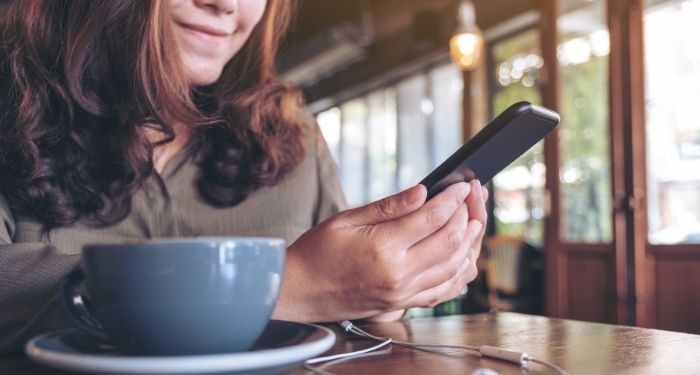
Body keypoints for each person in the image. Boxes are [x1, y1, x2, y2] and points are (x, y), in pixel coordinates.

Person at [0, 0, 488, 353]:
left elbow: (343, 305)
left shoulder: (290, 133)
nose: (226, 5)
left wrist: (385, 291)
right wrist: (280, 288)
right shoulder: (11, 108)